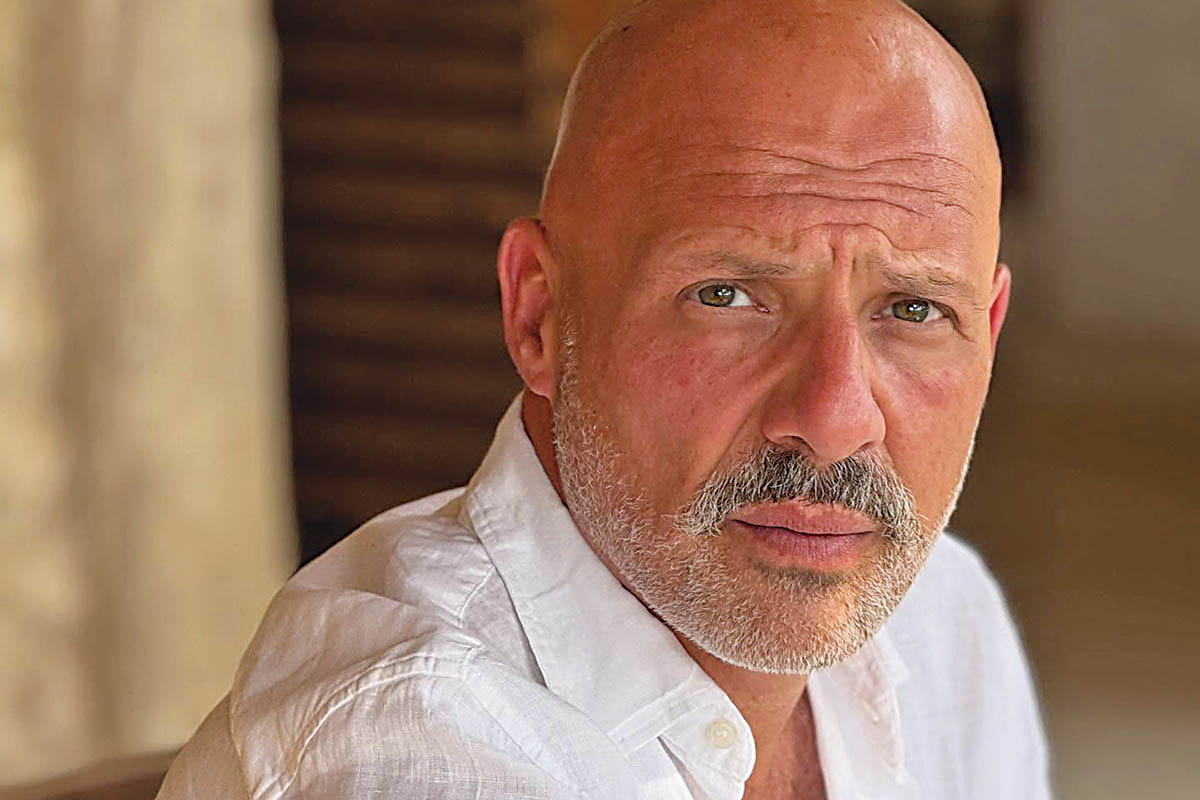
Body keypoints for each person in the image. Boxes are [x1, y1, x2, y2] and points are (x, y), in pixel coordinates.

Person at [157, 0, 1049, 797]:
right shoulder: (415, 742)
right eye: (727, 296)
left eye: (914, 310)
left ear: (990, 331)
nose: (835, 419)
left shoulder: (946, 621)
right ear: (539, 315)